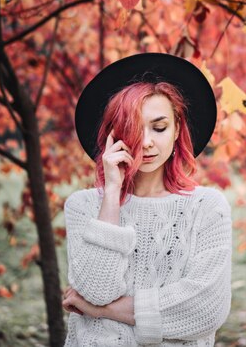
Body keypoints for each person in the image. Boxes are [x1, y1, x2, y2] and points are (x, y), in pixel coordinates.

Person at [62, 52, 232, 346]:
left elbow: (205, 310)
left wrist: (101, 311)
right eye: (133, 128)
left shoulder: (207, 208)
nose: (147, 141)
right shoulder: (83, 206)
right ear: (114, 135)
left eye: (159, 127)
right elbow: (94, 289)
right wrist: (113, 193)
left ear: (178, 129)